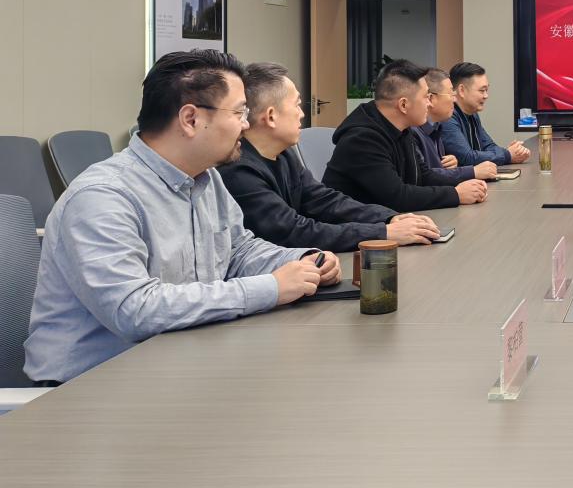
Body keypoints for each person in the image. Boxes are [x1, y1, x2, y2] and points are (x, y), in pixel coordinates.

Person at [24, 50, 340, 385]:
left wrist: (302, 261)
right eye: (239, 112)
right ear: (190, 119)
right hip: (91, 389)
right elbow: (135, 310)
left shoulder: (205, 177)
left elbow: (237, 251)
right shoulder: (102, 196)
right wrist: (271, 287)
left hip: (180, 366)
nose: (247, 125)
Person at [221, 62, 443, 251]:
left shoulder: (283, 155)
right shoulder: (239, 171)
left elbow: (325, 200)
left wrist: (389, 218)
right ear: (271, 116)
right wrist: (383, 232)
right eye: (297, 105)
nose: (302, 114)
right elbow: (293, 231)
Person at [324, 59, 488, 212]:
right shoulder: (362, 139)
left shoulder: (402, 129)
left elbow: (423, 176)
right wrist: (456, 194)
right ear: (403, 104)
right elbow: (397, 197)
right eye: (425, 97)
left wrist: (466, 184)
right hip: (357, 227)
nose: (429, 103)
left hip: (385, 220)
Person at [413, 66, 498, 184]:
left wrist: (451, 164)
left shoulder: (436, 127)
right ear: (430, 99)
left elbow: (436, 171)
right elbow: (425, 176)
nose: (454, 99)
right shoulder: (413, 132)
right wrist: (471, 172)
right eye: (450, 94)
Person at [440, 61, 531, 166]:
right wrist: (507, 154)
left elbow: (489, 146)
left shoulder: (472, 113)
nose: (486, 96)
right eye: (482, 90)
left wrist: (511, 152)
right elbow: (466, 157)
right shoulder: (447, 116)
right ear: (461, 90)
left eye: (487, 90)